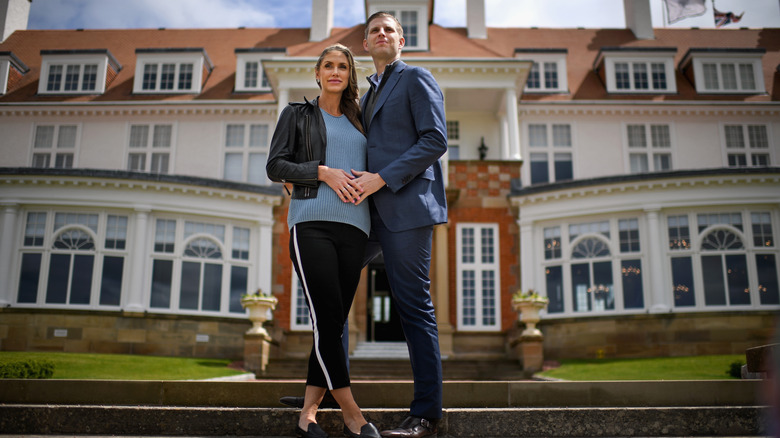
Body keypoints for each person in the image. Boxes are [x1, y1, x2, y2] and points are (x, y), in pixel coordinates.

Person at [266, 43, 380, 438]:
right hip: (311, 222)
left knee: (330, 323)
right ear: (317, 73)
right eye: (328, 66)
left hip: (356, 230)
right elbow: (276, 165)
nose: (335, 72)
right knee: (327, 319)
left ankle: (308, 413)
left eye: (343, 67)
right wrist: (324, 173)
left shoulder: (362, 118)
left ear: (350, 75)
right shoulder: (297, 115)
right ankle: (352, 413)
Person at [350, 11, 449, 438]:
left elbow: (435, 139)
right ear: (366, 44)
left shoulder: (416, 78)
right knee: (330, 291)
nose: (382, 34)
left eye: (389, 29)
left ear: (401, 40)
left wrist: (382, 178)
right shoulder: (368, 94)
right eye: (375, 31)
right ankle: (322, 390)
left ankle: (426, 413)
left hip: (407, 208)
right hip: (367, 212)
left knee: (413, 307)